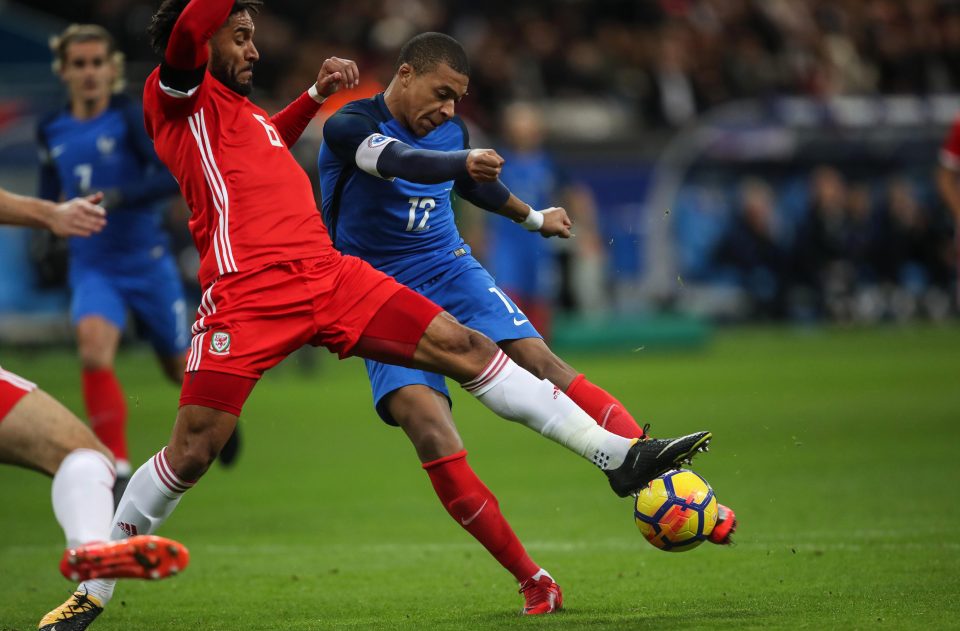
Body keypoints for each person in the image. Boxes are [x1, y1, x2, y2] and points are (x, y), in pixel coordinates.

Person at [43, 2, 712, 628]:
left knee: (467, 345)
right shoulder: (176, 96)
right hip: (248, 294)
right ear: (204, 42)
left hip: (327, 274)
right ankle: (94, 586)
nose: (252, 48)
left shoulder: (242, 114)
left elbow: (266, 146)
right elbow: (195, 26)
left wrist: (306, 98)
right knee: (193, 449)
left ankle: (617, 455)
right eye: (239, 36)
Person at [319, 32, 738, 612]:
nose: (449, 110)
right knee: (430, 428)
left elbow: (471, 186)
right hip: (377, 289)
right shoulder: (347, 126)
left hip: (448, 266)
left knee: (540, 359)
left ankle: (658, 477)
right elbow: (397, 161)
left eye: (458, 99)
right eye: (442, 93)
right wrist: (461, 159)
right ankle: (531, 578)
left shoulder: (451, 131)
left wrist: (534, 217)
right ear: (407, 73)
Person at [38, 24, 240, 487]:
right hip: (93, 264)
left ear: (111, 69)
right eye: (78, 64)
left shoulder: (129, 117)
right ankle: (119, 466)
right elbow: (52, 193)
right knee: (93, 350)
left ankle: (221, 421)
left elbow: (169, 176)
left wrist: (118, 196)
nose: (88, 73)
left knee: (177, 367)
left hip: (146, 262)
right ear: (64, 71)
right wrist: (46, 233)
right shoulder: (51, 128)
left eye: (96, 63)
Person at [0, 187, 189, 631]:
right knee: (84, 455)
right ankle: (89, 546)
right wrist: (51, 213)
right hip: (106, 264)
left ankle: (92, 552)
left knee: (81, 453)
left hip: (137, 259)